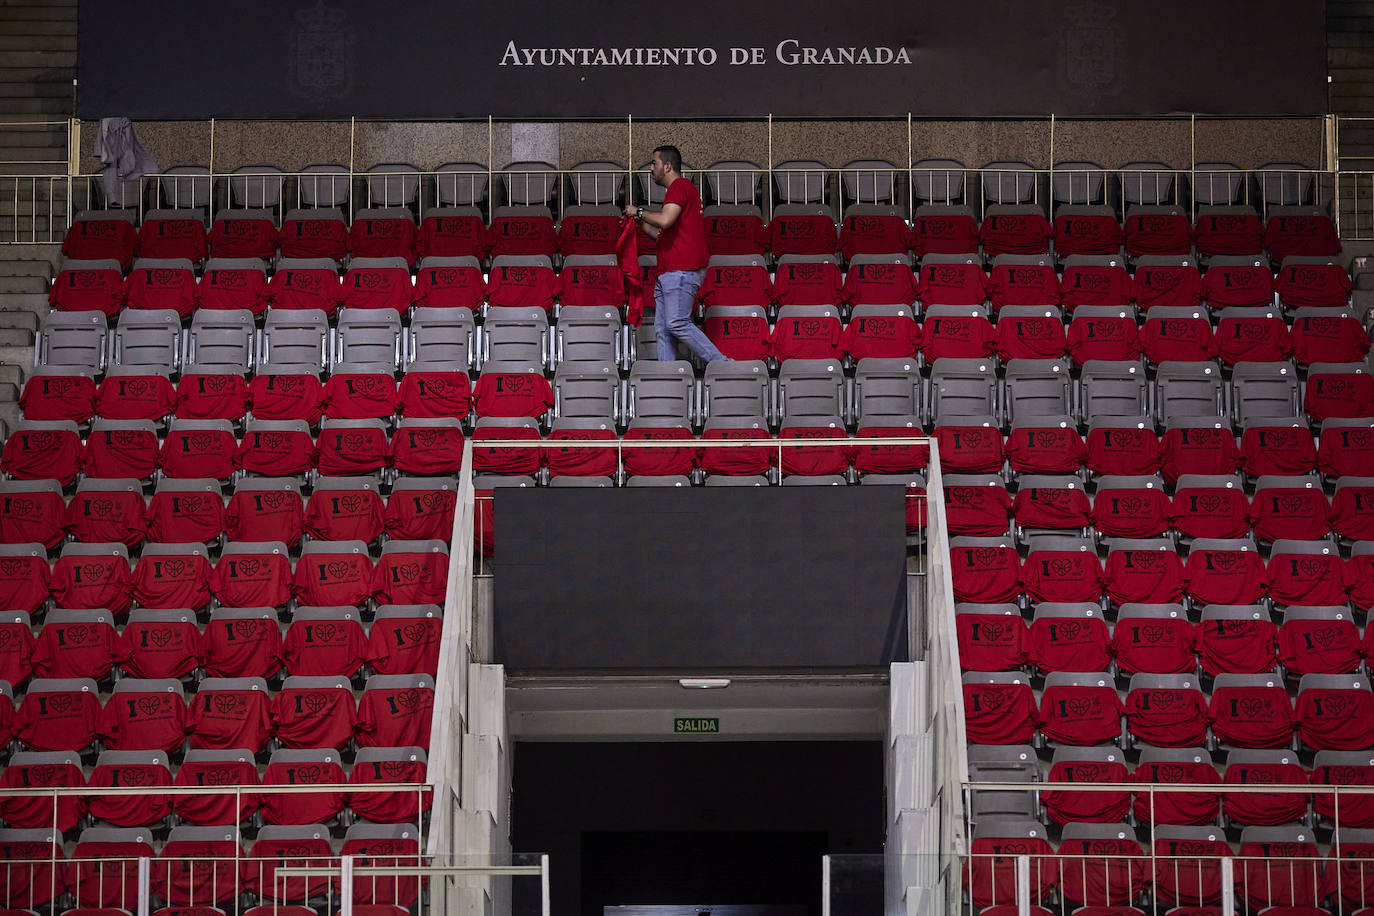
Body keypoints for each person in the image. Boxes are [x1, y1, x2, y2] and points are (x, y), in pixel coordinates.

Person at [625, 145, 729, 363]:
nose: (651, 168)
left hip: (681, 270)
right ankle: (668, 378)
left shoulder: (679, 186)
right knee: (663, 329)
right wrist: (642, 224)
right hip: (669, 271)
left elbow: (665, 220)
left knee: (676, 323)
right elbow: (662, 233)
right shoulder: (679, 190)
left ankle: (722, 364)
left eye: (654, 163)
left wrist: (640, 211)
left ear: (668, 166)